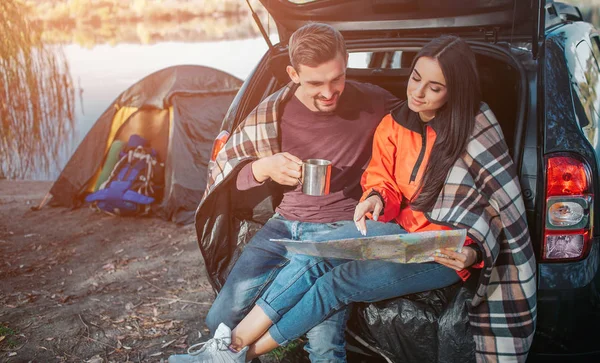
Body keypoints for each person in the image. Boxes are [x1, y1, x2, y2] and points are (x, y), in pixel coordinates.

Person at [172, 35, 537, 363]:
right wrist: (375, 196)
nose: (419, 93)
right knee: (289, 277)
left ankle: (233, 353)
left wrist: (473, 251)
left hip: (436, 249)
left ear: (454, 90)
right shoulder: (391, 122)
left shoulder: (468, 127)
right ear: (293, 74)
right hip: (376, 232)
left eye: (435, 87)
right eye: (415, 78)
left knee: (329, 284)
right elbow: (383, 178)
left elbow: (495, 206)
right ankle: (231, 350)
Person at [169, 23, 403, 363]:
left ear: (346, 62)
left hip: (339, 231)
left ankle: (245, 351)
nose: (328, 92)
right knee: (217, 318)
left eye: (336, 78)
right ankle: (254, 350)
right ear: (293, 73)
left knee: (324, 343)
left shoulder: (375, 101)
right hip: (283, 226)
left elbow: (424, 126)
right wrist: (263, 169)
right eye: (314, 83)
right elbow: (225, 179)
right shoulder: (273, 112)